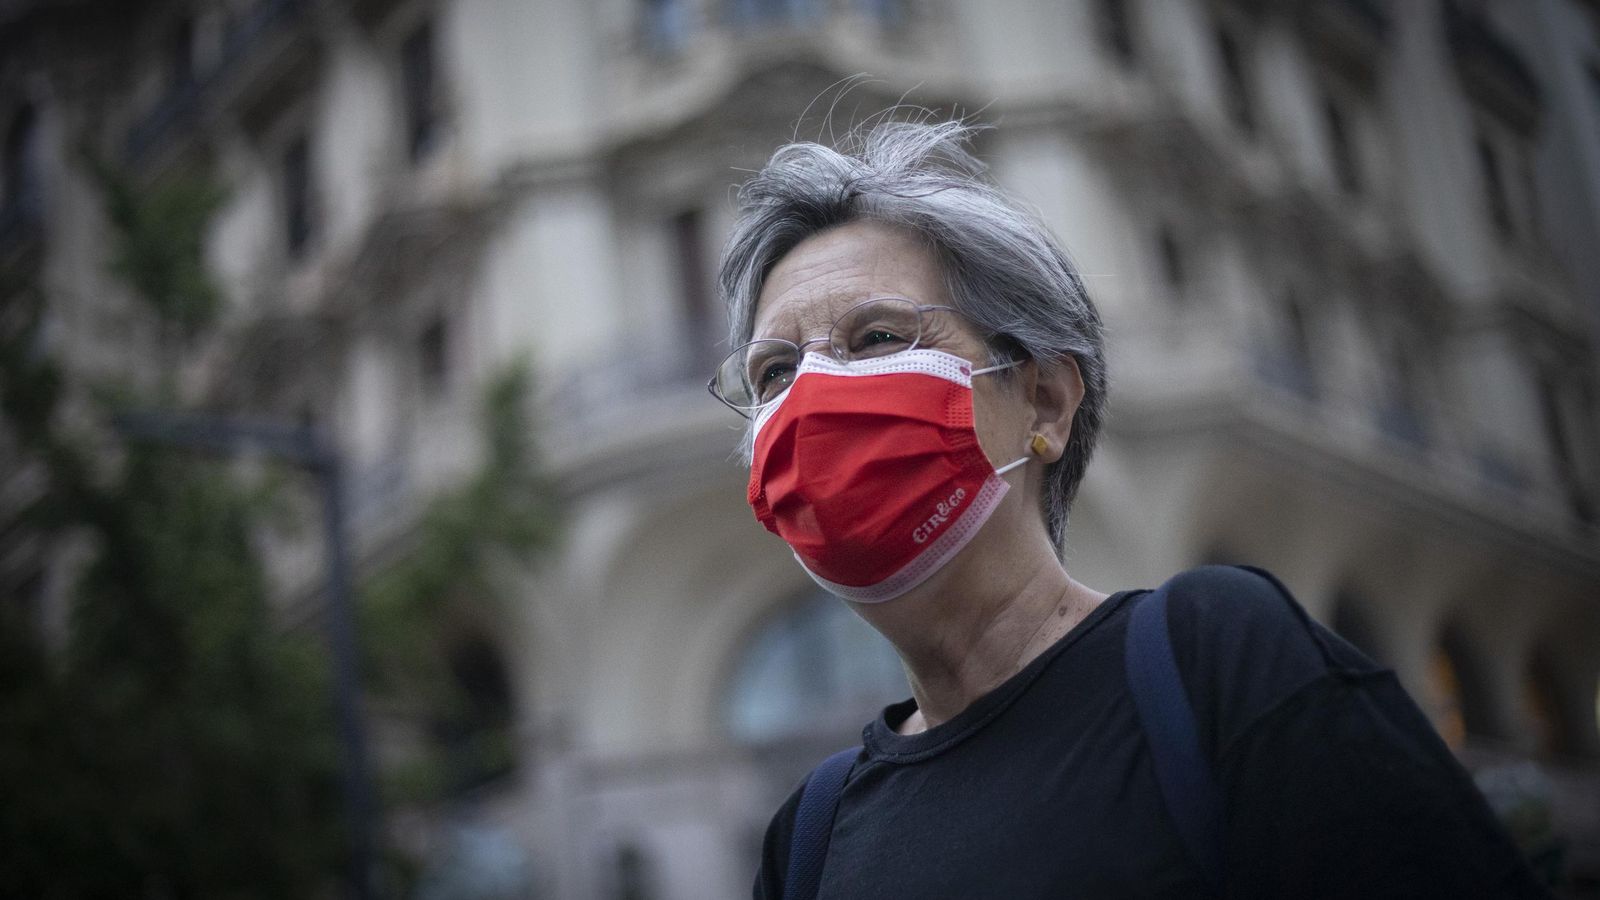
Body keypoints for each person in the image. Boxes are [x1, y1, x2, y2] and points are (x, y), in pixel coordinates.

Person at [708, 118, 1548, 899]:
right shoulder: (810, 840)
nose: (814, 393)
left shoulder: (1217, 661)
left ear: (1043, 402)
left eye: (878, 339)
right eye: (774, 373)